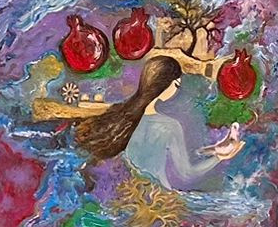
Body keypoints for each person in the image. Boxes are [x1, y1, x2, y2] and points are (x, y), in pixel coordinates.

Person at [73, 55, 242, 188]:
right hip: (158, 199)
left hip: (132, 195)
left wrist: (213, 149)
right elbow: (187, 173)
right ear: (166, 86)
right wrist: (220, 157)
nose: (176, 90)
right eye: (176, 85)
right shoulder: (168, 126)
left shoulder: (123, 118)